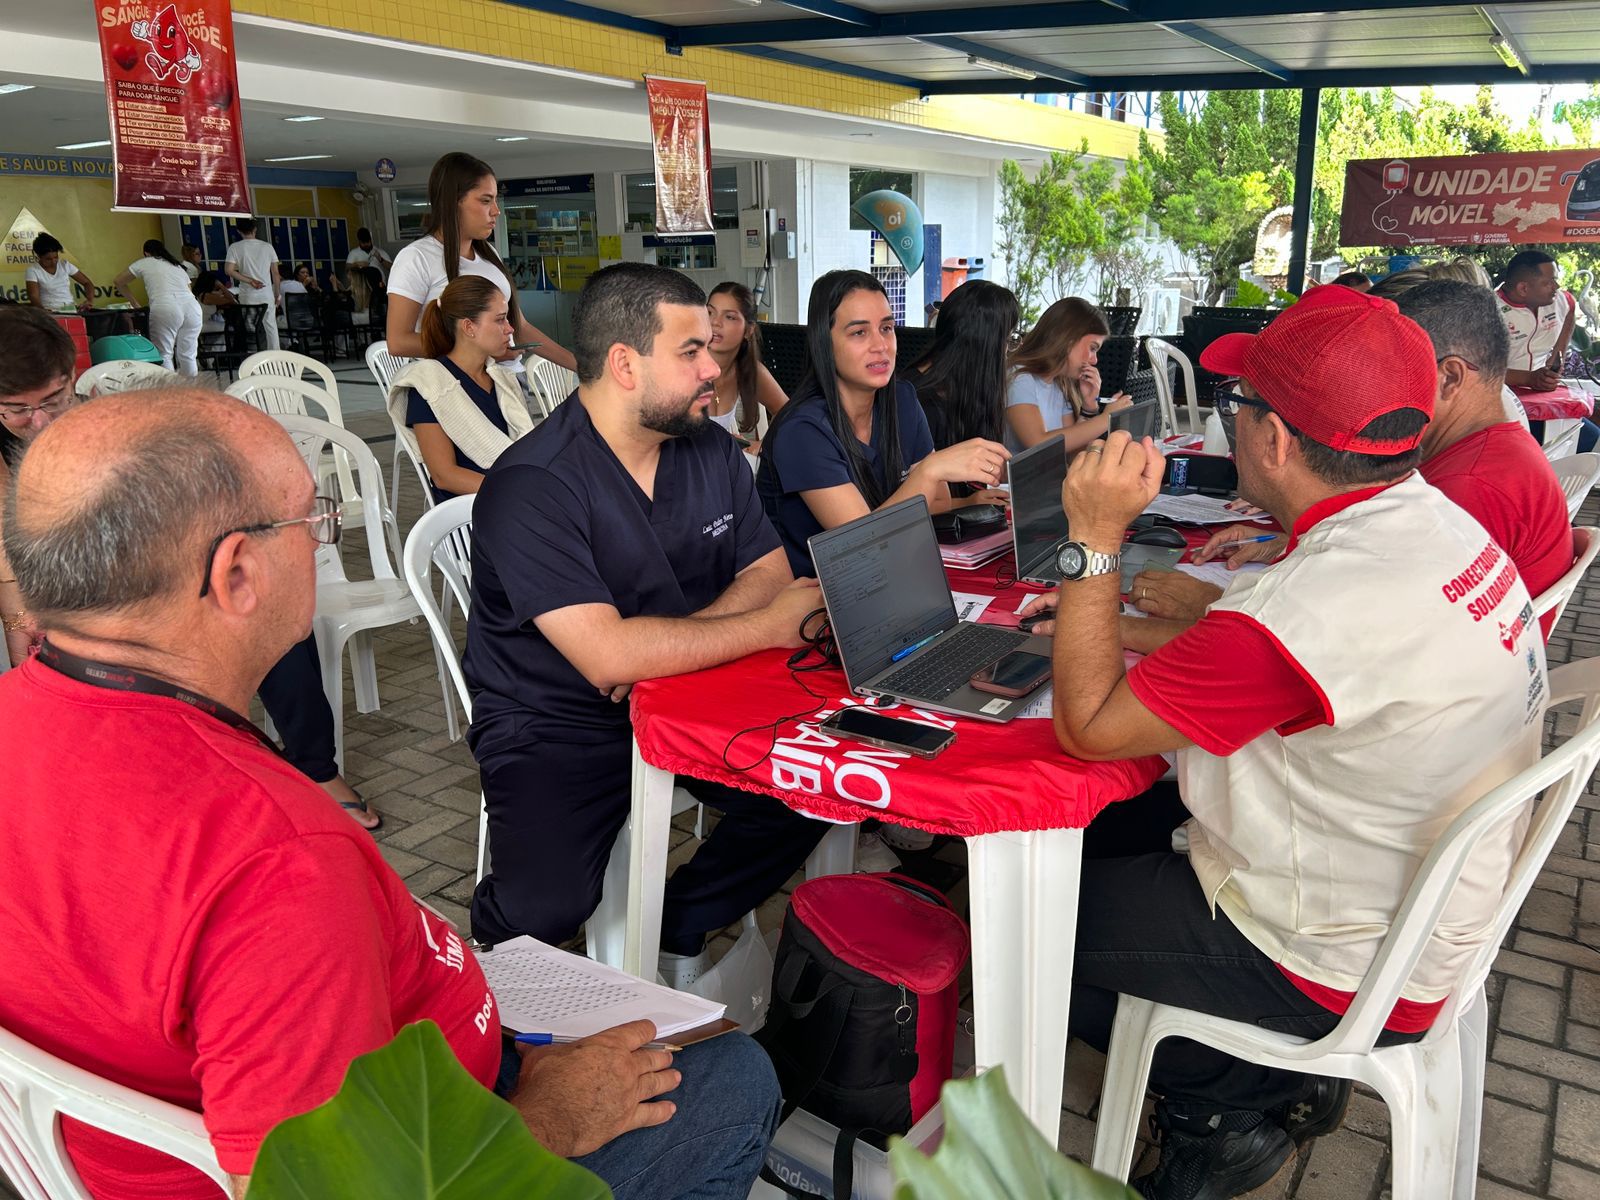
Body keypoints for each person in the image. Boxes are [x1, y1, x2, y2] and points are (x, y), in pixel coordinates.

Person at [0, 387, 780, 1200]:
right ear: (236, 573)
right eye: (314, 521)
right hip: (427, 1149)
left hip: (210, 1124)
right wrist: (546, 1117)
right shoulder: (278, 860)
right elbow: (329, 1190)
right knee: (734, 1078)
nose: (321, 539)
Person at [1026, 285, 1546, 1200]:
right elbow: (1262, 657)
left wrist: (1094, 538)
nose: (1231, 421)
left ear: (1272, 440)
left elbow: (1088, 725)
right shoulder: (1434, 521)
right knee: (1101, 835)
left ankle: (1232, 1107)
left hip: (1338, 961)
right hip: (1422, 910)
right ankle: (1248, 1085)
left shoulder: (1311, 605)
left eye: (1239, 403)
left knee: (1020, 923)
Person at [464, 262, 829, 984]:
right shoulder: (534, 484)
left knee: (814, 789)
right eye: (690, 351)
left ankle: (681, 918)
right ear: (625, 364)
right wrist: (759, 627)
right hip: (560, 721)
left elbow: (768, 574)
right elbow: (606, 659)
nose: (713, 367)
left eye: (711, 348)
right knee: (549, 904)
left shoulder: (710, 448)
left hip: (698, 692)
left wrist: (662, 653)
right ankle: (487, 970)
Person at [1124, 280, 1575, 643]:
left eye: (1394, 376)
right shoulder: (1474, 462)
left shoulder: (1471, 486)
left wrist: (1210, 605)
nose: (1374, 394)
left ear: (1450, 377)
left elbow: (1340, 639)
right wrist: (1284, 542)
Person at [756, 270, 1011, 577]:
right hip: (817, 594)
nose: (881, 345)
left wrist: (933, 481)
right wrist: (930, 471)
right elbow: (863, 547)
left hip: (890, 575)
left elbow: (939, 503)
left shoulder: (903, 399)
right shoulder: (802, 430)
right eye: (859, 332)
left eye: (887, 328)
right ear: (824, 342)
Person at [387, 153, 577, 374]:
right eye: (486, 201)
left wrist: (581, 367)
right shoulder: (417, 258)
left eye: (495, 200)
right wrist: (486, 351)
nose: (496, 211)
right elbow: (399, 342)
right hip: (457, 385)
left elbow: (520, 327)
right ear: (453, 202)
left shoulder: (488, 254)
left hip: (508, 380)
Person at [385, 275, 533, 501]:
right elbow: (444, 476)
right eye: (500, 320)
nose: (510, 329)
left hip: (513, 495)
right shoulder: (429, 384)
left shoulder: (501, 379)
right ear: (469, 327)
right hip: (468, 509)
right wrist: (518, 493)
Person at [910, 278, 1021, 507]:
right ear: (984, 344)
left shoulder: (964, 389)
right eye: (1007, 340)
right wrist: (967, 503)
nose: (1006, 351)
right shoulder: (914, 401)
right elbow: (910, 503)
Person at [1003, 296, 1132, 453]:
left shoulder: (1060, 383)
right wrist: (1107, 419)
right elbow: (1038, 445)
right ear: (1068, 339)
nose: (1095, 360)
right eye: (1092, 348)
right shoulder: (1019, 377)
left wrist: (1089, 408)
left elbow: (1072, 453)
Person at [706, 280, 787, 449]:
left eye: (729, 317)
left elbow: (788, 412)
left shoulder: (749, 370)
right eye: (710, 312)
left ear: (749, 330)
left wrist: (763, 446)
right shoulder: (686, 367)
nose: (715, 322)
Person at [114, 240, 204, 375]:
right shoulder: (177, 266)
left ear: (146, 253)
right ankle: (192, 387)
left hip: (165, 306)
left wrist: (135, 304)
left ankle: (169, 388)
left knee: (164, 354)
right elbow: (189, 290)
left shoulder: (144, 262)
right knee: (188, 355)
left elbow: (118, 281)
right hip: (192, 308)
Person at [224, 217, 281, 351]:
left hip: (248, 295)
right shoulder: (267, 247)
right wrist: (277, 294)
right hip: (266, 294)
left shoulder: (235, 247)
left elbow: (228, 270)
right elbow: (275, 273)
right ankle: (276, 356)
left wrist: (250, 280)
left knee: (250, 328)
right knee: (271, 327)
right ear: (255, 229)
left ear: (238, 231)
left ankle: (252, 356)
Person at [24, 233, 95, 311]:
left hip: (70, 309)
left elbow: (87, 283)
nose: (53, 261)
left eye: (56, 257)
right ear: (38, 256)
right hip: (49, 312)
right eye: (48, 259)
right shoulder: (33, 270)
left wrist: (89, 300)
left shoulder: (65, 265)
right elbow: (33, 296)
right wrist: (43, 311)